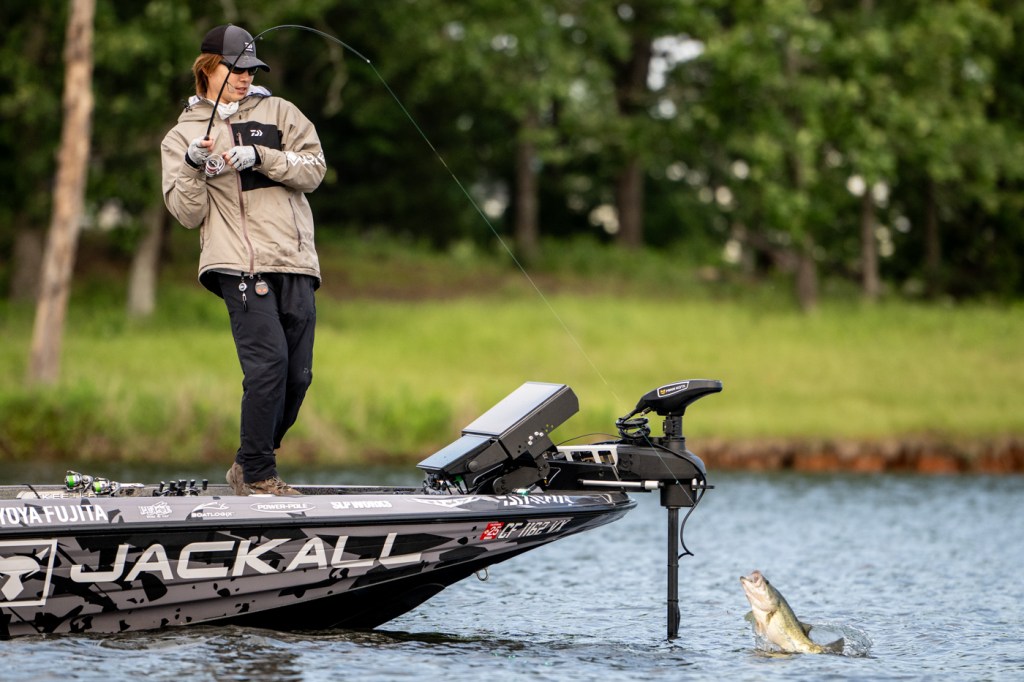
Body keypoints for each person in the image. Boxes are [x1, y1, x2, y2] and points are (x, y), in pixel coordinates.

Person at [160, 24, 326, 496]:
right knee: (268, 366)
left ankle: (247, 462)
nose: (244, 77)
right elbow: (187, 213)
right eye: (235, 69)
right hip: (236, 265)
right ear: (207, 68)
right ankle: (258, 475)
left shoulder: (281, 112)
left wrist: (260, 156)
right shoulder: (181, 135)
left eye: (251, 69)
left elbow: (314, 170)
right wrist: (192, 165)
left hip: (294, 261)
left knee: (297, 377)